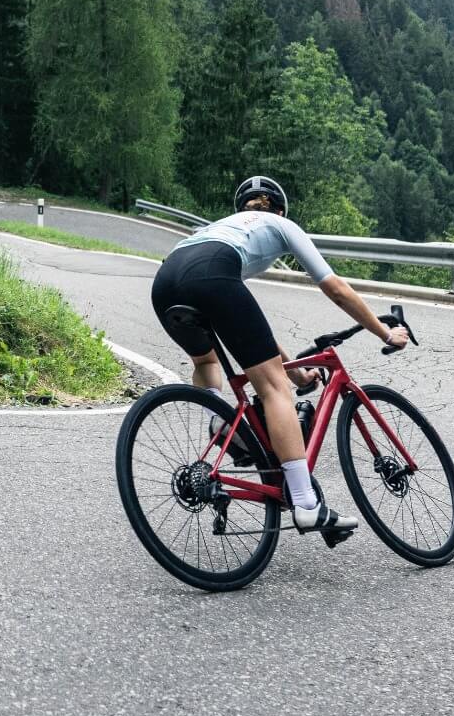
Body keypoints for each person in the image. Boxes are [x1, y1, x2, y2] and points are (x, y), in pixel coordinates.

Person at [150, 175, 411, 539]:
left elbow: (249, 329)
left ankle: (220, 421)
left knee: (207, 362)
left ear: (243, 207)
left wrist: (297, 374)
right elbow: (335, 288)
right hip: (213, 276)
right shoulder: (281, 224)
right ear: (280, 208)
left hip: (165, 281)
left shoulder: (222, 228)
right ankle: (306, 504)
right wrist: (385, 332)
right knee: (274, 390)